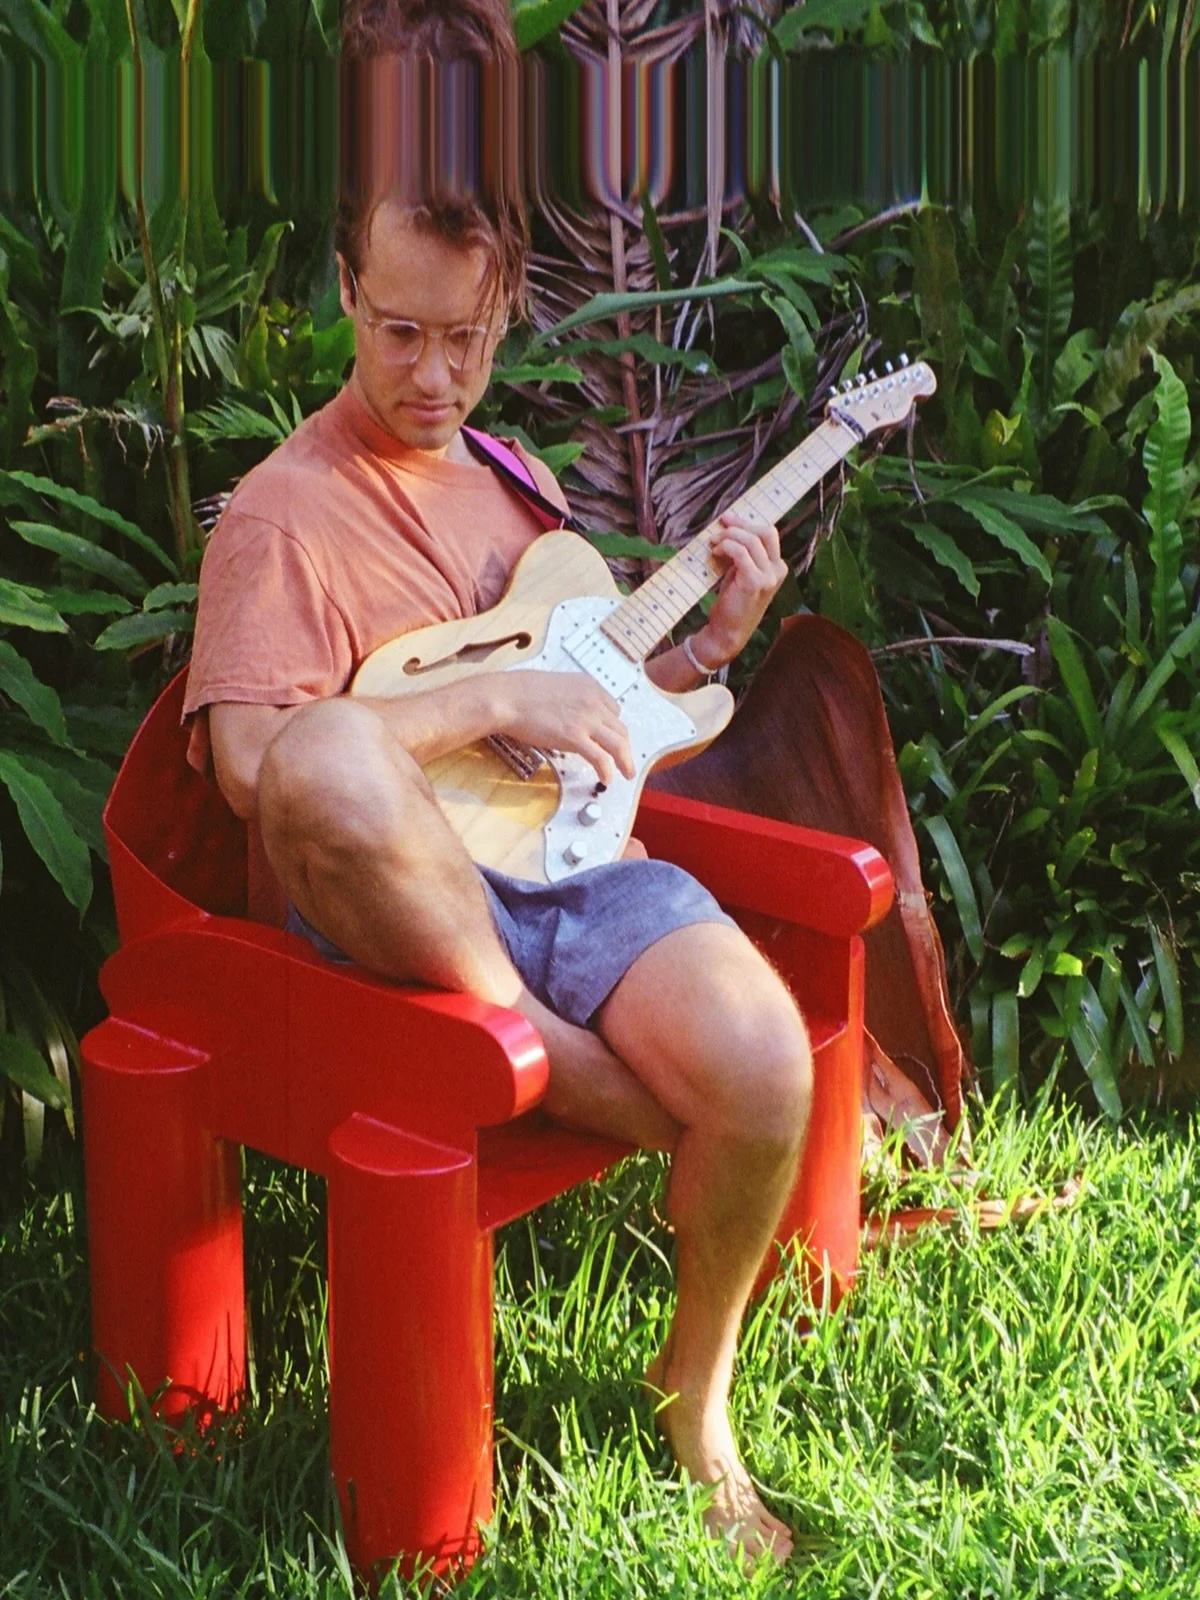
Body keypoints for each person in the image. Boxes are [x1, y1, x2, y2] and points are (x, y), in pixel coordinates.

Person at [183, 10, 811, 1571]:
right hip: (408, 913)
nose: (435, 372)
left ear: (507, 301)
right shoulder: (281, 516)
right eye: (399, 331)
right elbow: (263, 769)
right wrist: (484, 697)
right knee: (330, 738)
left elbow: (598, 721)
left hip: (575, 879)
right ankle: (541, 1058)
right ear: (345, 290)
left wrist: (712, 642)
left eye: (467, 334)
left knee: (768, 1062)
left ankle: (698, 1393)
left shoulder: (515, 483)